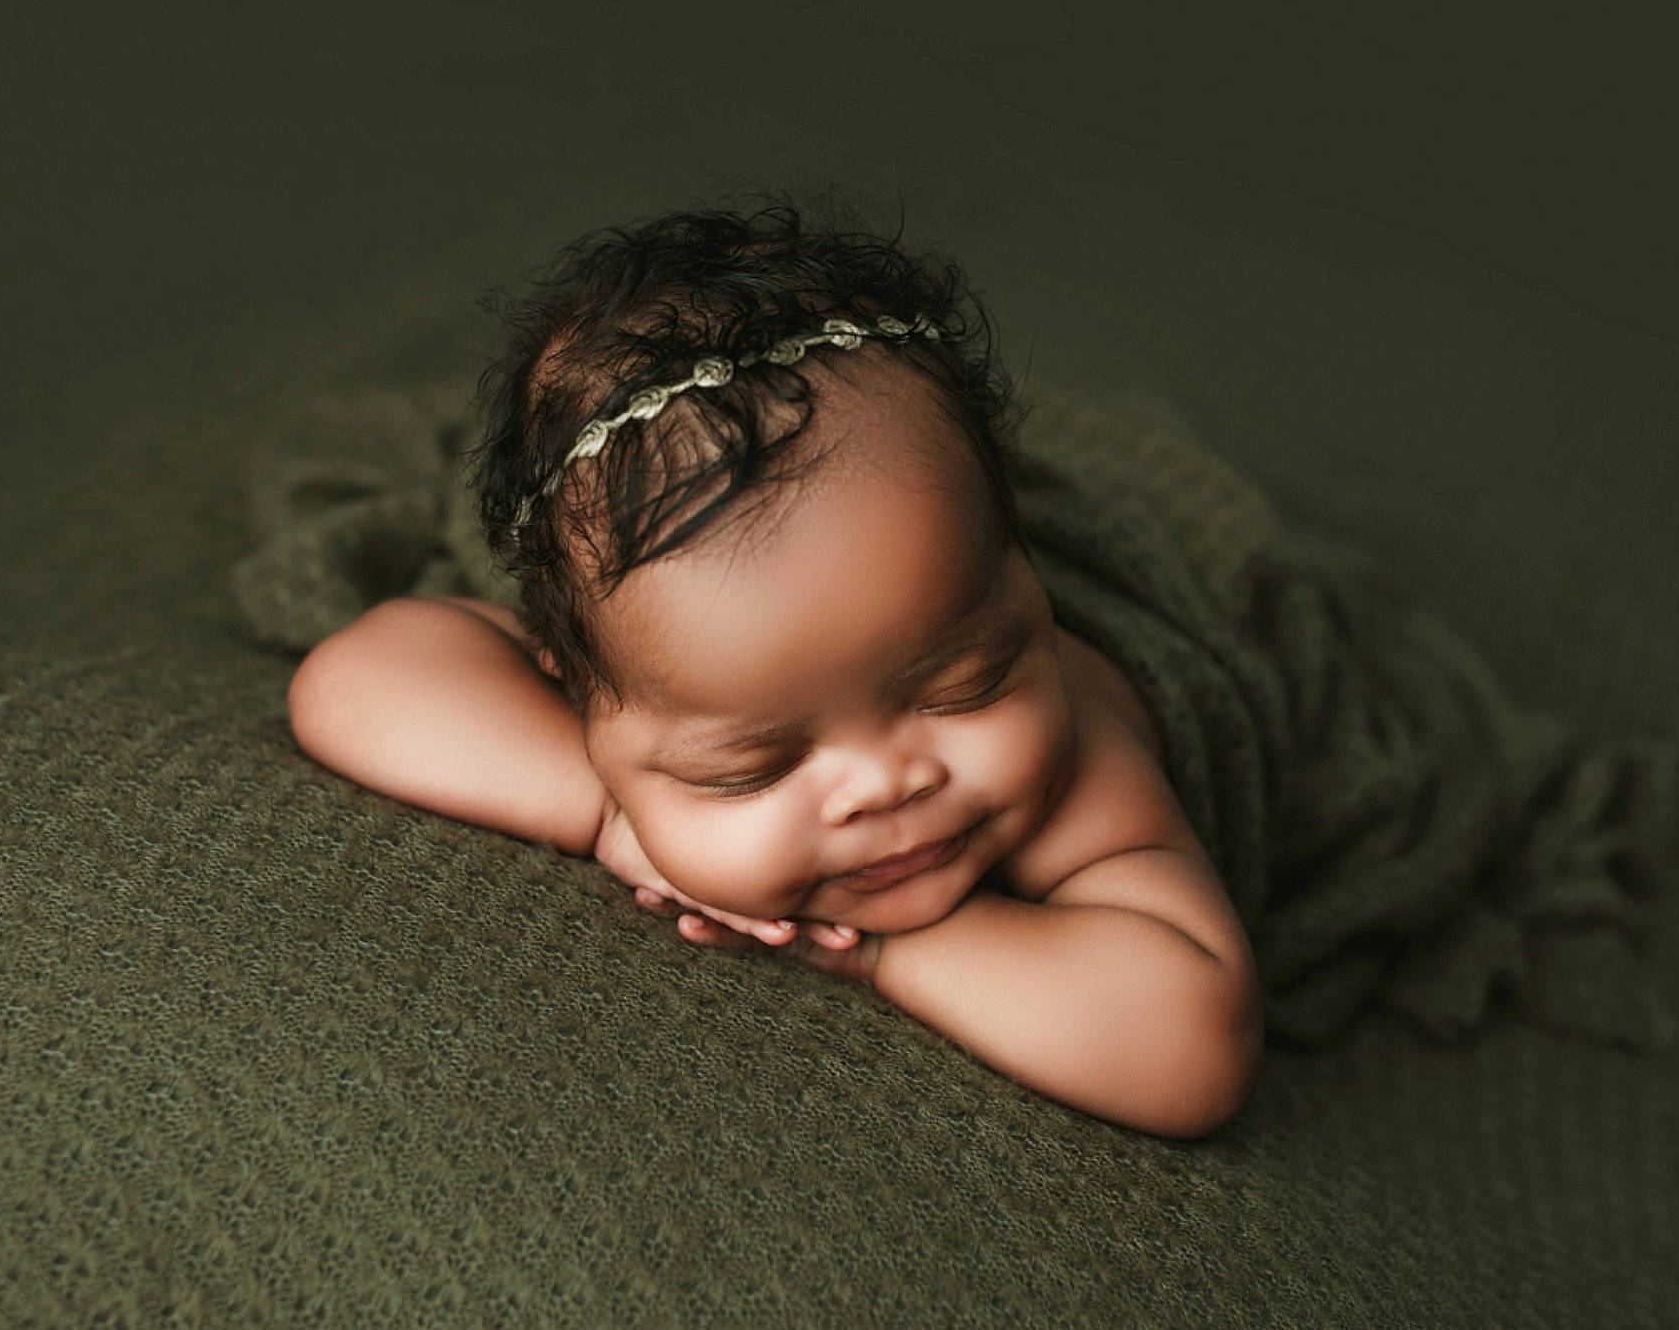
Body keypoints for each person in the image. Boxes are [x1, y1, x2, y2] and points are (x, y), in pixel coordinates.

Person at [285, 194, 1262, 1139]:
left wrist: (877, 946)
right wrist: (607, 811)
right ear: (578, 699)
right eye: (747, 768)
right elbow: (355, 677)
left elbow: (1188, 1047)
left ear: (1024, 584)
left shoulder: (1076, 758)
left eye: (962, 688)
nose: (884, 785)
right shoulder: (637, 678)